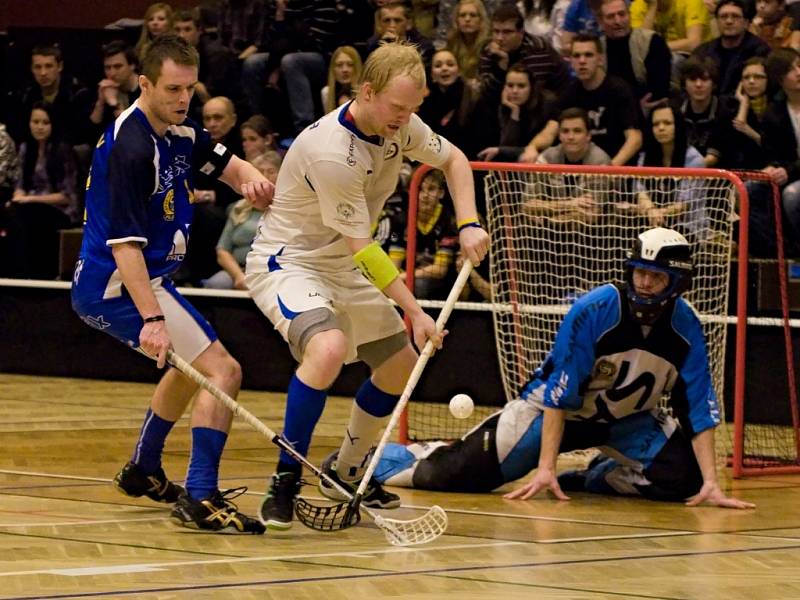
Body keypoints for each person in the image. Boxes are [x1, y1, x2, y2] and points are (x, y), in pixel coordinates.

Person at [245, 42, 490, 530]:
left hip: (344, 264)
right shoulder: (333, 152)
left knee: (400, 364)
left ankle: (346, 471)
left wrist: (468, 223)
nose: (407, 117)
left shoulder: (399, 124)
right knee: (329, 349)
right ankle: (286, 479)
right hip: (291, 262)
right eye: (399, 108)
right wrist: (415, 311)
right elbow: (364, 247)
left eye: (414, 108)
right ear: (367, 91)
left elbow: (456, 161)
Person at [368, 228, 755, 511]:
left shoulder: (686, 327)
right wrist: (545, 468)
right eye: (640, 273)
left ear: (678, 282)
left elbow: (698, 406)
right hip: (550, 414)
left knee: (683, 480)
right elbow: (560, 392)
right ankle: (378, 460)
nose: (646, 283)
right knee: (453, 477)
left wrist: (711, 484)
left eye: (657, 277)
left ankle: (595, 475)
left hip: (629, 421)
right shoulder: (596, 309)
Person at [71, 35, 274, 534]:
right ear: (144, 84)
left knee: (190, 368)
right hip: (119, 283)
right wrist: (154, 320)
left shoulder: (180, 128)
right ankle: (200, 496)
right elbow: (125, 247)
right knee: (222, 371)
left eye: (189, 88)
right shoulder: (131, 146)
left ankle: (144, 468)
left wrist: (254, 183)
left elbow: (228, 164)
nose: (183, 99)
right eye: (172, 89)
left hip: (145, 278)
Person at [3, 102, 79, 279]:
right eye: (35, 122)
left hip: (60, 210)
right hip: (30, 207)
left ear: (53, 124)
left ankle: (30, 273)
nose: (39, 127)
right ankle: (15, 275)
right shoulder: (25, 148)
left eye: (45, 123)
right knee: (11, 212)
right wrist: (18, 196)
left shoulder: (63, 150)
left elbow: (67, 196)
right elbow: (20, 185)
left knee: (25, 215)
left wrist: (30, 199)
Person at [203, 151, 282, 289]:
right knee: (215, 283)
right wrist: (239, 276)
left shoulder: (288, 209)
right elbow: (222, 250)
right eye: (259, 172)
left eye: (271, 171)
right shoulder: (238, 208)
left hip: (275, 271)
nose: (264, 177)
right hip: (240, 270)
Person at [388, 168, 459, 299]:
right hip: (406, 276)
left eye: (431, 189)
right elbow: (394, 266)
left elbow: (440, 270)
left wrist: (405, 276)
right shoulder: (399, 220)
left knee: (419, 286)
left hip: (439, 283)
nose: (425, 195)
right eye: (420, 189)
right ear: (411, 191)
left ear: (441, 193)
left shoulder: (450, 222)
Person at [321, 46, 363, 115]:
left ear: (357, 67)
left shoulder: (366, 93)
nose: (345, 70)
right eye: (339, 65)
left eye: (350, 65)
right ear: (333, 69)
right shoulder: (326, 93)